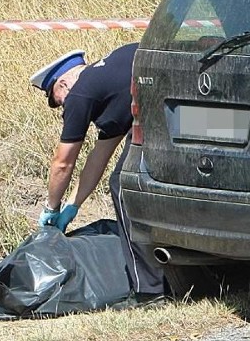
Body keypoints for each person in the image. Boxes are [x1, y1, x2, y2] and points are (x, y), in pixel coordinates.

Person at [31, 43, 166, 303]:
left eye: (55, 99)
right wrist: (73, 206)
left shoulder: (79, 95)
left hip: (163, 110)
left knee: (124, 186)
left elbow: (63, 162)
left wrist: (51, 206)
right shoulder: (105, 82)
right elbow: (98, 157)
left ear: (63, 85)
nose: (61, 107)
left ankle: (150, 290)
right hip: (181, 104)